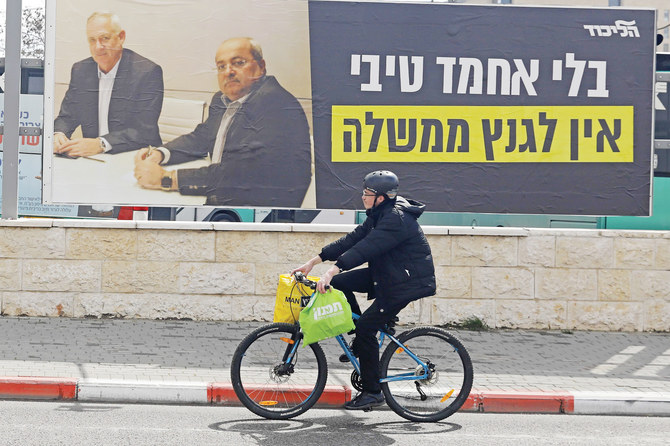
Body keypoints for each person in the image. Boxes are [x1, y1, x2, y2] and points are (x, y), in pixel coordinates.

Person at [292, 170, 436, 410]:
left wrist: (332, 270)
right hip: (387, 273)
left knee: (367, 328)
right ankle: (358, 332)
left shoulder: (395, 218)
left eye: (367, 193)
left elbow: (365, 249)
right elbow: (354, 239)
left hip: (404, 282)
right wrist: (314, 261)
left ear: (380, 197)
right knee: (340, 285)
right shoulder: (379, 213)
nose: (362, 197)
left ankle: (372, 392)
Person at [133, 37, 311, 207]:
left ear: (261, 66)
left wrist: (168, 178)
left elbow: (241, 174)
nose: (228, 72)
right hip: (223, 197)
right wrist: (161, 153)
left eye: (238, 63)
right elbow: (201, 137)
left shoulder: (276, 104)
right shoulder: (222, 99)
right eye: (221, 66)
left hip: (259, 214)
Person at [53, 12, 163, 157]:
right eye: (92, 40)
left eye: (104, 38)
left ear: (121, 37)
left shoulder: (146, 72)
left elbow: (144, 131)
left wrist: (101, 143)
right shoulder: (81, 70)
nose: (98, 47)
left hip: (134, 157)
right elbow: (67, 116)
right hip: (94, 159)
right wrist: (57, 134)